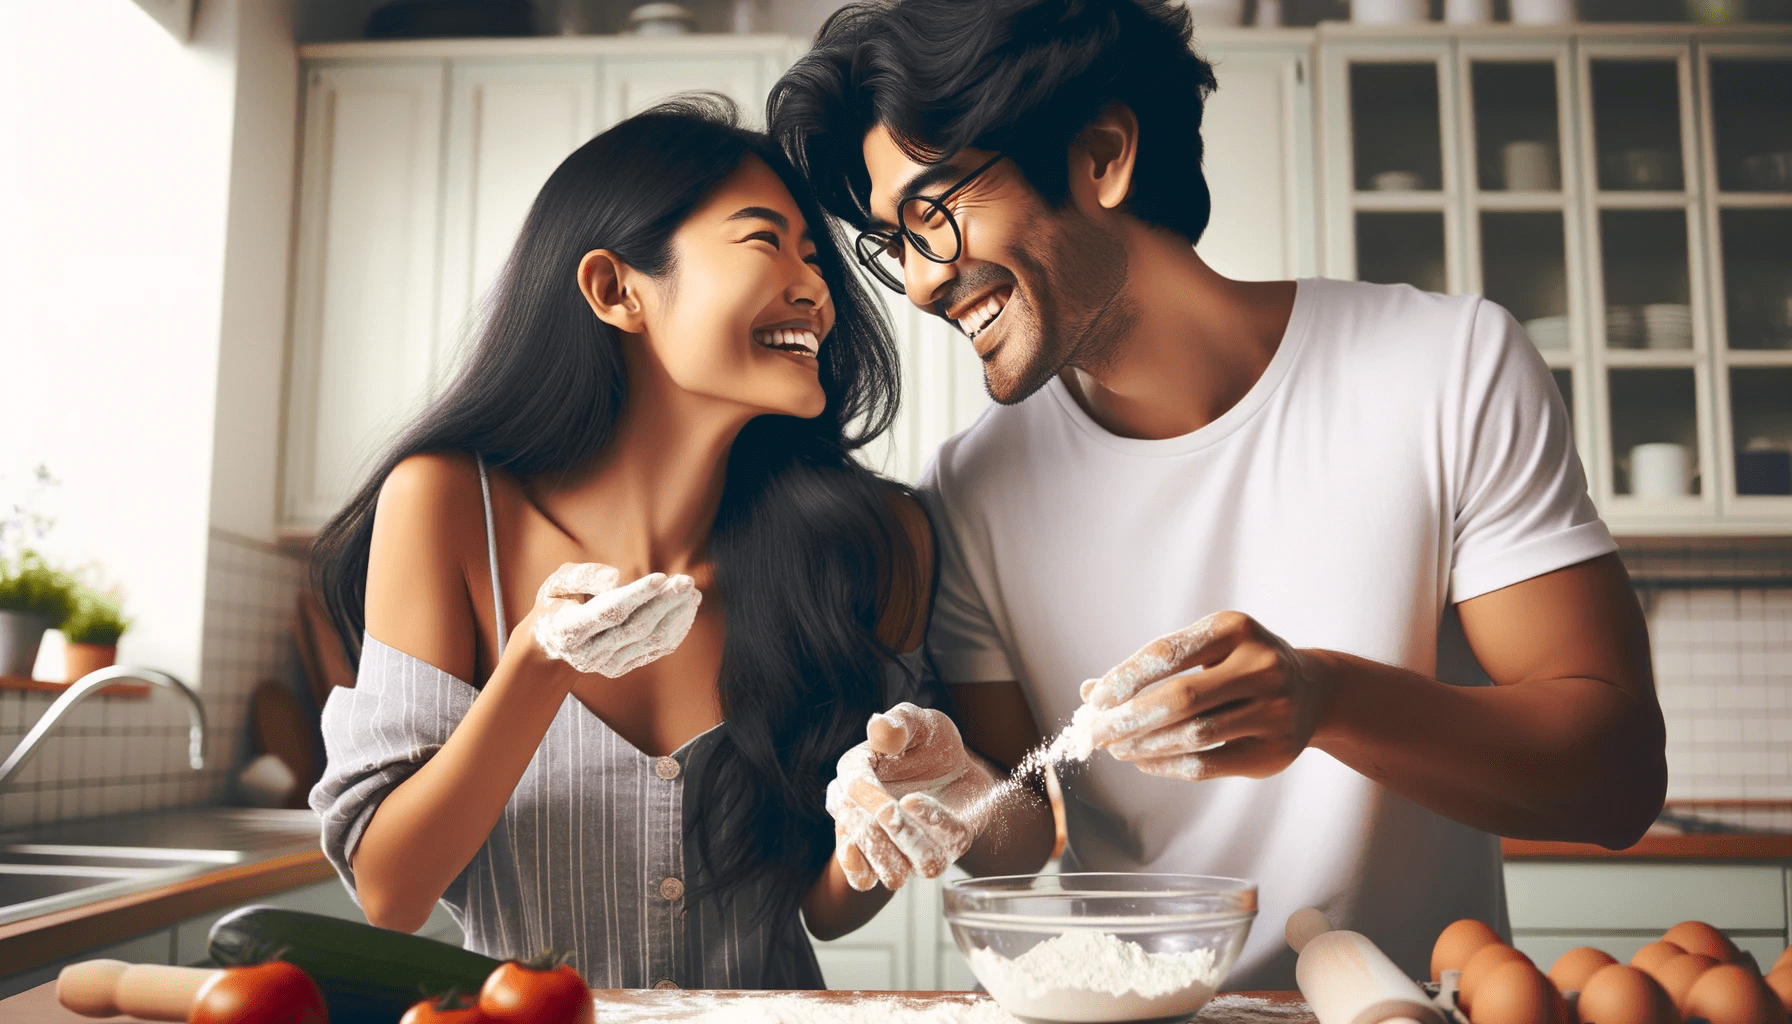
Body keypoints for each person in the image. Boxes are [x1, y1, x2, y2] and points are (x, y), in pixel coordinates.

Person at [769, 0, 1667, 989]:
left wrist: (1328, 698)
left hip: (1411, 1010)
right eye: (895, 245)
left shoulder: (1445, 366)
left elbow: (1615, 779)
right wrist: (954, 789)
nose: (923, 286)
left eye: (934, 212)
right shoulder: (973, 486)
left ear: (1103, 154)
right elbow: (1019, 829)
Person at [305, 97, 1048, 989]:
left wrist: (877, 834)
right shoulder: (450, 507)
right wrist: (535, 668)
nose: (815, 287)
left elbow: (824, 905)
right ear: (616, 290)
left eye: (813, 256)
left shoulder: (874, 543)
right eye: (764, 242)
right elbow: (391, 888)